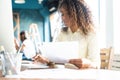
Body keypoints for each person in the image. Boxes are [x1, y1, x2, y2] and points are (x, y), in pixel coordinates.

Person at [33, 0, 101, 69]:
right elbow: (55, 61)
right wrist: (47, 61)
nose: (63, 18)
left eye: (68, 13)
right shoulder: (62, 33)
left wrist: (88, 64)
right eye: (62, 14)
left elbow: (96, 64)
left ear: (78, 14)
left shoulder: (91, 34)